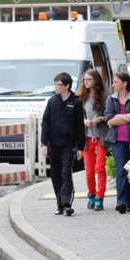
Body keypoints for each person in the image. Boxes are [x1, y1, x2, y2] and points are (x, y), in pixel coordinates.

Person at [41, 72, 85, 217]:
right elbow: (45, 122)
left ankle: (67, 204)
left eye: (58, 84)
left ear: (67, 86)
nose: (56, 87)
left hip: (69, 144)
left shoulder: (76, 102)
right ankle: (59, 204)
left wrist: (80, 147)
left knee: (66, 172)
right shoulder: (52, 101)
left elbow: (80, 126)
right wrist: (44, 143)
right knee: (55, 174)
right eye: (55, 84)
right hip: (54, 144)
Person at [104, 69, 130, 214]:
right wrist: (126, 117)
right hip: (117, 141)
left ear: (125, 83)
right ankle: (121, 202)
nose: (113, 84)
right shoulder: (111, 99)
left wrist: (119, 118)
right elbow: (108, 119)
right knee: (121, 170)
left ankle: (129, 202)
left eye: (116, 82)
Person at [78, 68, 108, 210]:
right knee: (89, 170)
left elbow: (111, 115)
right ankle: (91, 194)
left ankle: (99, 197)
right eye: (85, 80)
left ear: (95, 80)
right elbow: (76, 117)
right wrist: (84, 121)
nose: (86, 82)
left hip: (100, 136)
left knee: (99, 168)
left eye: (89, 79)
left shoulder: (104, 96)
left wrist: (101, 118)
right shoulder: (81, 97)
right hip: (87, 137)